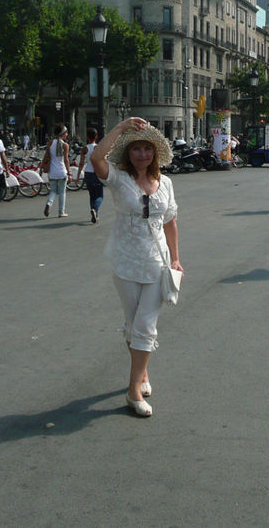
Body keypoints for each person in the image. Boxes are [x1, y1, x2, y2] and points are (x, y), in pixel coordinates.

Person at [90, 118, 182, 418]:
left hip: (157, 261)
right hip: (126, 260)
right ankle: (142, 374)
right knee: (133, 325)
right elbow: (95, 158)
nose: (142, 154)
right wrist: (119, 129)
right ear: (128, 153)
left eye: (147, 149)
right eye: (136, 149)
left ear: (155, 153)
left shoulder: (166, 183)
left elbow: (170, 221)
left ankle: (132, 391)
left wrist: (176, 258)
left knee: (145, 326)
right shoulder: (118, 178)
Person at [43, 124, 72, 218]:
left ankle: (49, 203)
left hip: (52, 171)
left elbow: (46, 157)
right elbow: (66, 160)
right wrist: (69, 172)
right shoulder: (65, 145)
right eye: (66, 132)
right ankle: (61, 212)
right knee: (62, 192)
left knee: (53, 191)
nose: (67, 134)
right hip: (62, 171)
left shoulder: (50, 143)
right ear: (62, 133)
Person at [76, 127, 104, 223]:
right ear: (96, 137)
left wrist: (78, 176)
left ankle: (95, 212)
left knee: (92, 195)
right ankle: (95, 209)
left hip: (88, 173)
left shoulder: (85, 148)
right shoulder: (98, 147)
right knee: (100, 196)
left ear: (87, 137)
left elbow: (81, 163)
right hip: (97, 173)